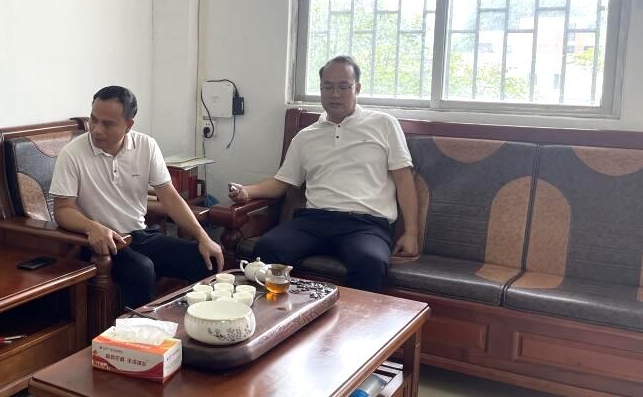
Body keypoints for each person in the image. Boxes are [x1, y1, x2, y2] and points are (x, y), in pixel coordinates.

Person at [228, 56, 418, 292]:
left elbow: (404, 179)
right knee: (268, 249)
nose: (335, 94)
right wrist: (246, 191)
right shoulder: (306, 136)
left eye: (343, 87)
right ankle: (278, 312)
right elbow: (281, 183)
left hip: (366, 224)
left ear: (357, 88)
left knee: (370, 262)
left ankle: (352, 318)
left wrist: (411, 233)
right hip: (314, 221)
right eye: (328, 87)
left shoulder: (384, 124)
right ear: (320, 89)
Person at [50, 86, 225, 307]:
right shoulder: (72, 154)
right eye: (94, 119)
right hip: (100, 244)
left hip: (139, 235)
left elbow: (169, 197)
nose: (96, 129)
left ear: (129, 125)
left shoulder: (146, 145)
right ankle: (139, 328)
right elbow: (63, 209)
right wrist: (91, 227)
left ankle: (194, 322)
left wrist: (203, 237)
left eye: (108, 124)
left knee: (206, 259)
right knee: (141, 268)